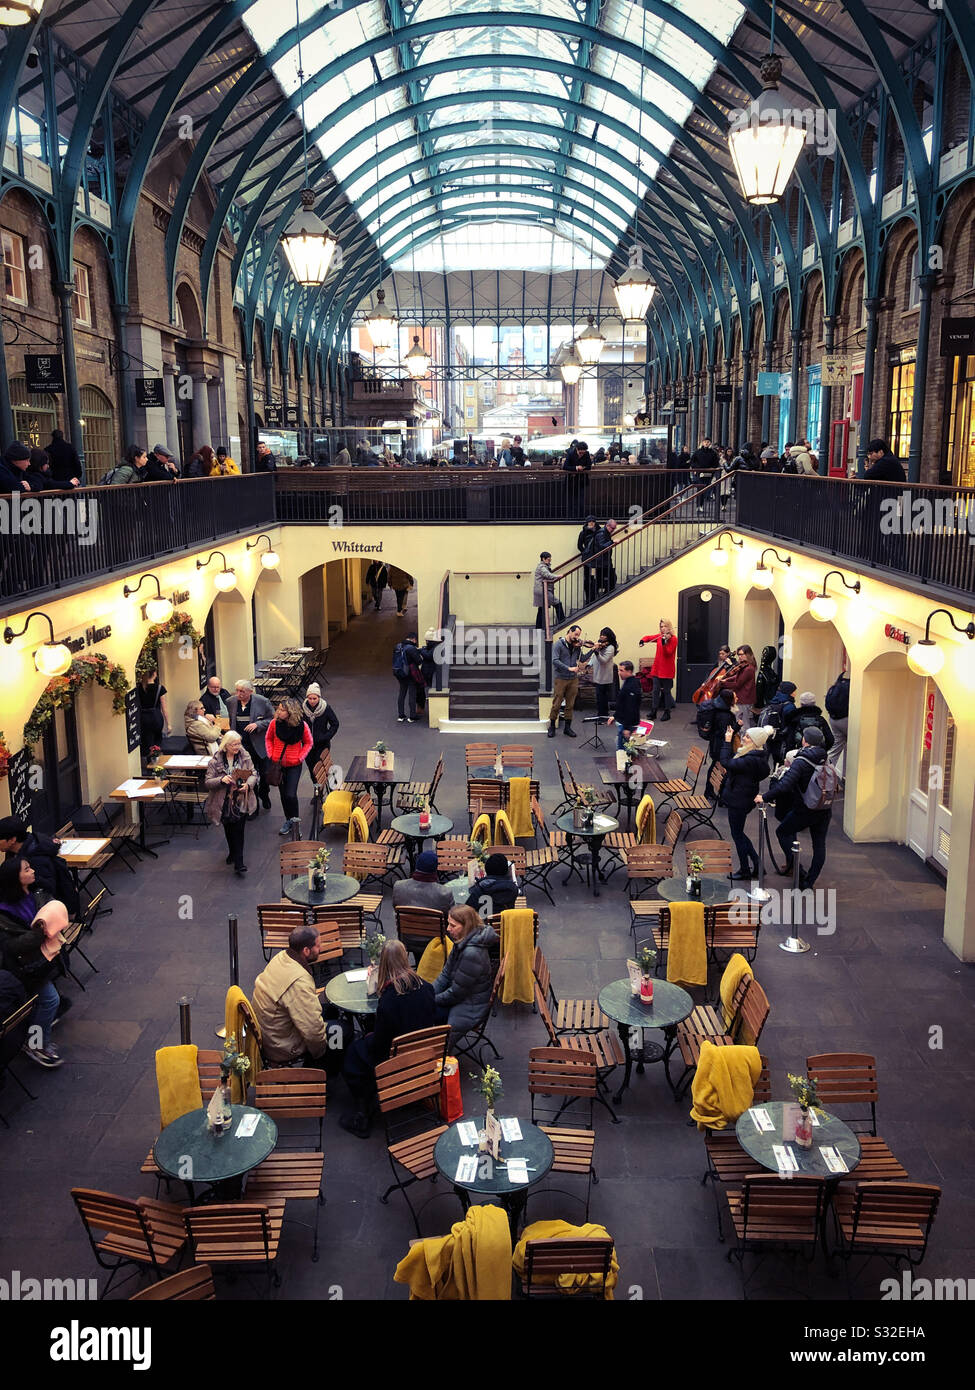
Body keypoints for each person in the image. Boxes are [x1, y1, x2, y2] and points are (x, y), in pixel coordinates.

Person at [340, 940, 436, 1137]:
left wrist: (368, 1035)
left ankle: (362, 1112)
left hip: (395, 1057)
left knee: (352, 1052)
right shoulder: (426, 987)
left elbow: (379, 1046)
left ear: (384, 963)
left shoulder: (389, 1000)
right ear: (405, 958)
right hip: (422, 1053)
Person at [0, 858, 68, 1068]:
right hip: (25, 968)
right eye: (27, 869)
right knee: (50, 1001)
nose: (33, 871)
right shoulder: (3, 913)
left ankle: (34, 1032)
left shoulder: (34, 893)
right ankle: (35, 1044)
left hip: (43, 961)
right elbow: (12, 947)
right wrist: (41, 932)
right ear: (15, 878)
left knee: (43, 1002)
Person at [757, 727, 834, 887]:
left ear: (805, 741)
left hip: (804, 809)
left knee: (783, 832)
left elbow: (785, 785)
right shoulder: (826, 758)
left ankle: (799, 872)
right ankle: (809, 881)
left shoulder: (801, 761)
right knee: (819, 845)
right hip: (824, 809)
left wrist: (764, 797)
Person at [252, 925, 329, 1066]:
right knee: (341, 1031)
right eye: (318, 946)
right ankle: (324, 1071)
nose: (321, 949)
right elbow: (312, 1032)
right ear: (306, 950)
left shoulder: (281, 957)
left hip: (270, 1033)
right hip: (283, 1046)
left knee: (329, 1009)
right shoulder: (298, 982)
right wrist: (321, 1052)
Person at [432, 905, 499, 1046]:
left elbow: (456, 994)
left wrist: (431, 1000)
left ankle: (434, 1054)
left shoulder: (471, 954)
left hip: (471, 1005)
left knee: (423, 1015)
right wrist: (429, 994)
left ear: (466, 926)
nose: (448, 929)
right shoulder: (464, 940)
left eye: (452, 925)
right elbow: (445, 973)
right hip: (466, 996)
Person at [719, 724, 773, 879]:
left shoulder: (749, 759)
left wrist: (727, 741)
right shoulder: (756, 756)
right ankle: (757, 864)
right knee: (739, 833)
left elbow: (726, 762)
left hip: (738, 800)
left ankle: (745, 869)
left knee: (737, 834)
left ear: (755, 742)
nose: (743, 738)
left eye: (748, 737)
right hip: (743, 797)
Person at [204, 730, 257, 876]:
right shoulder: (215, 761)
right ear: (226, 746)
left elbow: (253, 773)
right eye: (235, 744)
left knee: (239, 830)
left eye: (239, 743)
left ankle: (239, 863)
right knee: (228, 828)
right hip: (223, 800)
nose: (238, 747)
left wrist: (248, 785)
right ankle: (232, 852)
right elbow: (208, 782)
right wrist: (221, 780)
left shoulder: (245, 756)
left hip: (241, 799)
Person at [0, 817, 78, 917]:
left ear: (12, 840)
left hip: (49, 911)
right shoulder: (14, 850)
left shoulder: (37, 859)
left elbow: (48, 889)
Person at [265, 697, 313, 836]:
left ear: (290, 712)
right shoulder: (274, 724)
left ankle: (295, 822)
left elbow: (309, 742)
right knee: (283, 795)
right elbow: (268, 738)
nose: (278, 711)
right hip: (278, 765)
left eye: (282, 709)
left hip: (294, 765)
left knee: (291, 794)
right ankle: (289, 821)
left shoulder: (301, 726)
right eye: (279, 708)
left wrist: (300, 757)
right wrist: (271, 753)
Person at [226, 679, 274, 810]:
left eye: (242, 691)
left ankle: (264, 794)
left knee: (263, 774)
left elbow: (272, 719)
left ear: (250, 692)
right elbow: (231, 721)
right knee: (247, 775)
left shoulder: (262, 701)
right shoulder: (230, 702)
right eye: (237, 690)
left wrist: (257, 724)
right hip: (242, 746)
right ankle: (254, 804)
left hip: (258, 746)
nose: (239, 694)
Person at [547, 624, 584, 737]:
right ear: (569, 631)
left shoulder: (576, 646)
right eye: (576, 634)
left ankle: (567, 728)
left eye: (578, 635)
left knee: (570, 704)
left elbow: (582, 658)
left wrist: (593, 650)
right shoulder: (559, 644)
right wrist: (568, 668)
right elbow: (555, 660)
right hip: (561, 678)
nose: (577, 637)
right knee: (557, 704)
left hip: (573, 679)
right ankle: (552, 726)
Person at [392, 850, 454, 916]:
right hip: (433, 925)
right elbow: (452, 915)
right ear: (435, 869)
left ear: (417, 865)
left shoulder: (398, 886)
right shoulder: (445, 893)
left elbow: (395, 908)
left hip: (406, 925)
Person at [639, 618, 677, 720]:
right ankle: (654, 711)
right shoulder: (660, 637)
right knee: (655, 691)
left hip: (667, 670)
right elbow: (649, 637)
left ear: (669, 627)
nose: (662, 628)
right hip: (657, 669)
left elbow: (668, 653)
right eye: (661, 626)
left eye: (664, 626)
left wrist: (665, 642)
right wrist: (643, 640)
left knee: (666, 691)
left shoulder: (673, 639)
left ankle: (667, 712)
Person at [716, 645, 758, 732]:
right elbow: (736, 677)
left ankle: (743, 744)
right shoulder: (744, 666)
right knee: (740, 723)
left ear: (748, 654)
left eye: (742, 654)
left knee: (743, 725)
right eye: (738, 655)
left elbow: (737, 684)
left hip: (744, 699)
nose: (739, 657)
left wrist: (723, 683)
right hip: (742, 698)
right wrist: (725, 678)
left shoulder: (748, 668)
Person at [301, 682, 339, 778]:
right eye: (310, 698)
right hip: (307, 745)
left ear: (319, 697)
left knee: (320, 770)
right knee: (311, 769)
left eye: (315, 698)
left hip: (322, 745)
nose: (312, 701)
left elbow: (335, 723)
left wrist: (326, 737)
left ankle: (320, 790)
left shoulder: (325, 708)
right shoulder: (303, 709)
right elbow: (299, 724)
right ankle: (316, 789)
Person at [607, 659, 642, 751]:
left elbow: (631, 707)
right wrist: (615, 716)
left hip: (628, 724)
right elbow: (622, 704)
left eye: (621, 670)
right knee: (624, 750)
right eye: (618, 670)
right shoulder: (628, 682)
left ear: (629, 671)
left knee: (623, 752)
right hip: (624, 721)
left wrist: (626, 728)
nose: (619, 673)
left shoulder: (632, 686)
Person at [584, 626, 617, 718]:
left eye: (604, 635)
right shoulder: (600, 645)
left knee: (603, 697)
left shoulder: (610, 648)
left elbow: (603, 661)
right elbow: (594, 658)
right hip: (598, 674)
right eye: (601, 634)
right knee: (599, 697)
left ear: (608, 637)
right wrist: (589, 663)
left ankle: (603, 715)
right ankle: (602, 714)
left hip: (605, 676)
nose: (601, 637)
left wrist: (597, 652)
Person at [136, 667, 169, 759]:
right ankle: (156, 761)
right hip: (156, 717)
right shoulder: (159, 688)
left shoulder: (139, 688)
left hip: (143, 718)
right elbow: (164, 708)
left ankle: (147, 762)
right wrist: (168, 724)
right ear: (154, 674)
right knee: (157, 741)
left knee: (147, 742)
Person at [824, 668, 850, 784]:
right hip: (847, 720)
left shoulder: (837, 685)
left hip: (834, 719)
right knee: (854, 750)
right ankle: (848, 778)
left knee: (834, 750)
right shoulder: (851, 687)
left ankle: (824, 777)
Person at [393, 632, 422, 722]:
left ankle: (401, 715)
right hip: (409, 674)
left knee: (402, 693)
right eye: (415, 640)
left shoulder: (398, 646)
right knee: (412, 694)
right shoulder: (411, 648)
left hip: (399, 672)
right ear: (413, 639)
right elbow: (419, 661)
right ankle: (412, 716)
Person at [533, 551, 565, 629]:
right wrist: (558, 576)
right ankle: (562, 622)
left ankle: (538, 627)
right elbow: (547, 575)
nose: (550, 560)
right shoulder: (542, 567)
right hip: (543, 590)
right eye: (548, 559)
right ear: (543, 559)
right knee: (557, 603)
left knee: (542, 608)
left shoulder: (543, 566)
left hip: (542, 590)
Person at [577, 516, 600, 603]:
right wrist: (586, 553)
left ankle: (594, 596)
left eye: (593, 521)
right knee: (587, 578)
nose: (591, 523)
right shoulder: (583, 533)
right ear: (587, 523)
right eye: (589, 522)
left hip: (597, 558)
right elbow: (579, 545)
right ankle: (588, 598)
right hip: (587, 560)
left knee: (594, 577)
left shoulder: (598, 531)